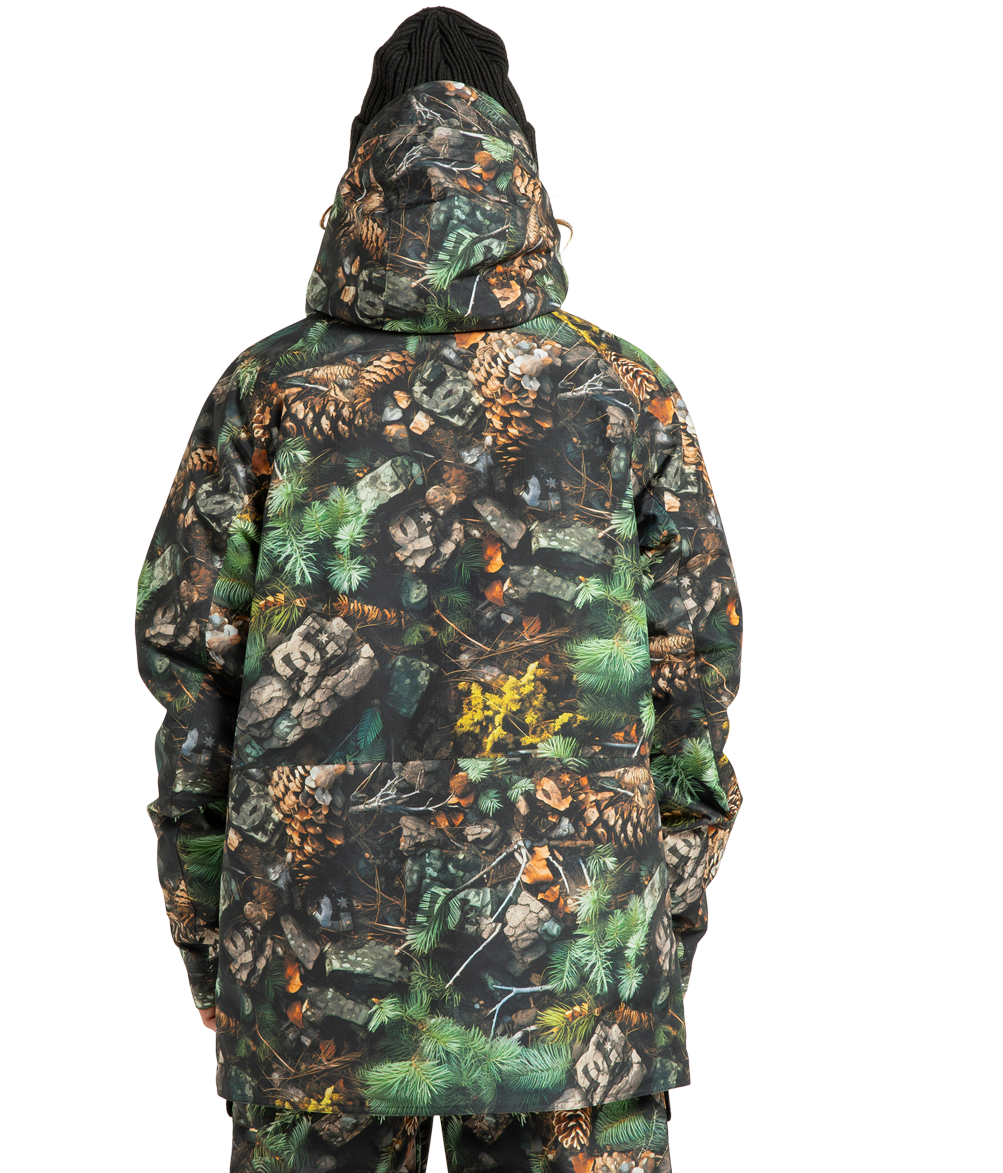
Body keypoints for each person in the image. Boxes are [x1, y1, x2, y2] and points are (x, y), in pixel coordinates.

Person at [134, 8, 742, 1173]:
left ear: (356, 178)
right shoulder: (625, 393)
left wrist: (218, 945)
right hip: (575, 965)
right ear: (523, 171)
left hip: (309, 961)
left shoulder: (266, 393)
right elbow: (694, 681)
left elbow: (191, 683)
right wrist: (656, 925)